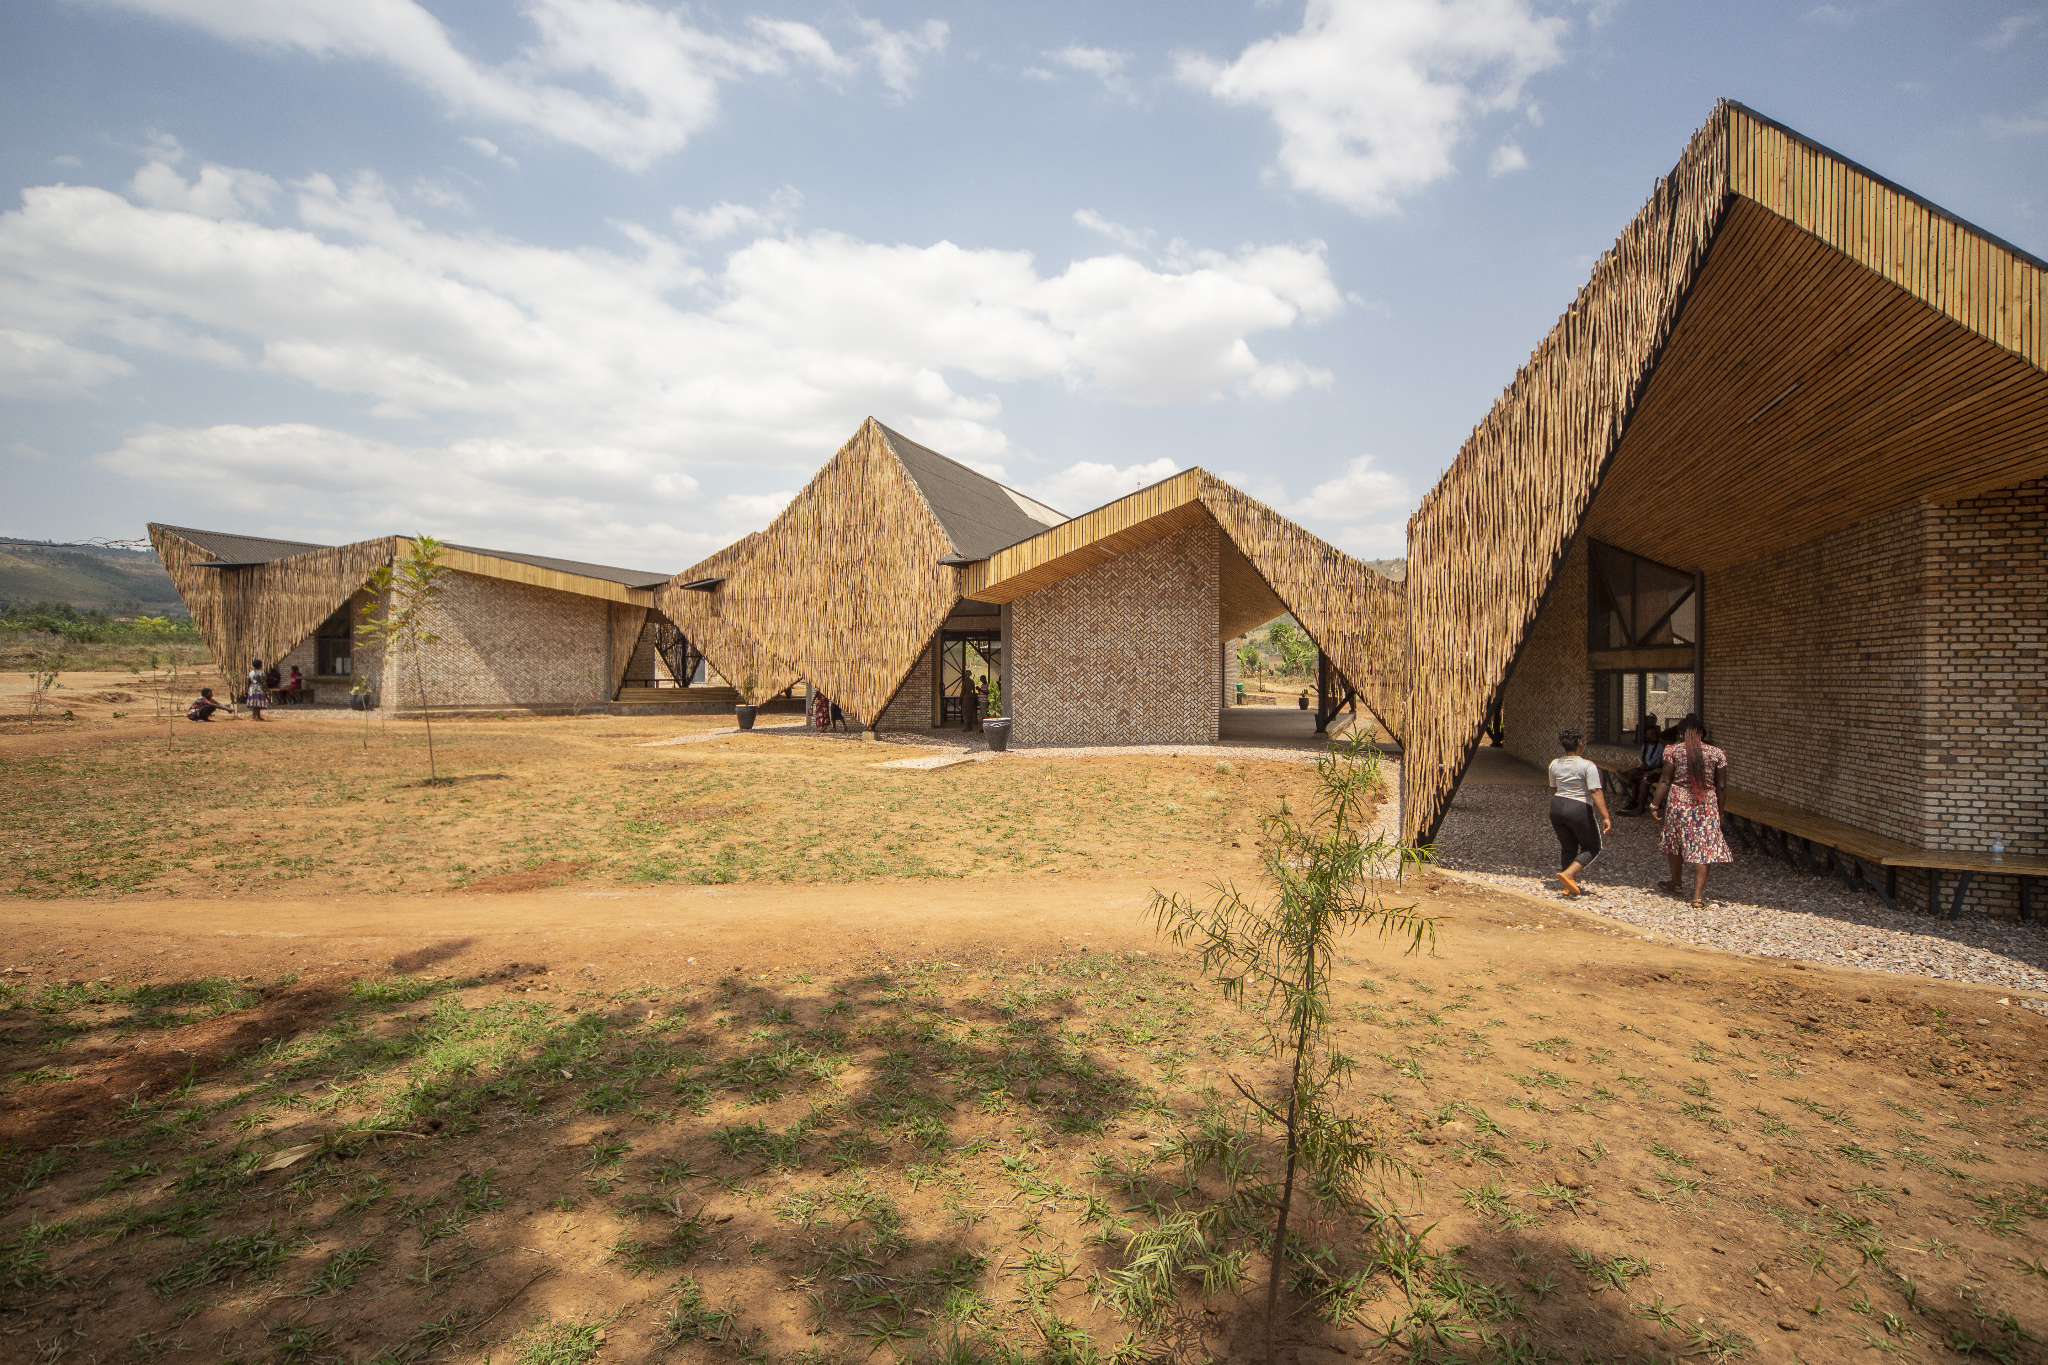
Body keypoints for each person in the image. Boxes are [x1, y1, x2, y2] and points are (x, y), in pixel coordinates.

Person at [1651, 712, 1731, 906]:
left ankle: (1676, 883)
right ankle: (1697, 897)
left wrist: (1654, 804)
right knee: (1703, 848)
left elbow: (1665, 780)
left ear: (1682, 733)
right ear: (1701, 733)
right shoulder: (1717, 753)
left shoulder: (1673, 751)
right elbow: (1721, 786)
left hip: (1679, 803)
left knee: (1675, 842)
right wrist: (1720, 812)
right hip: (1706, 805)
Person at [1547, 728, 1611, 897]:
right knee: (1592, 847)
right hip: (1578, 808)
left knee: (1568, 847)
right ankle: (1568, 875)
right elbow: (1595, 791)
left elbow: (1554, 787)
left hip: (1557, 806)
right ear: (1580, 745)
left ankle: (1567, 886)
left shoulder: (1554, 764)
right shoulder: (1587, 766)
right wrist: (1605, 816)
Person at [1622, 714, 1665, 814]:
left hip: (1655, 769)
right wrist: (1644, 766)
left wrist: (1651, 768)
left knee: (1642, 779)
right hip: (1647, 768)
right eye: (1651, 734)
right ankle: (1634, 799)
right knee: (1627, 775)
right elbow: (1644, 759)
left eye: (1655, 734)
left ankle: (1638, 803)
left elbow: (1663, 763)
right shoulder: (1645, 747)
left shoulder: (1661, 746)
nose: (1654, 736)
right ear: (1646, 736)